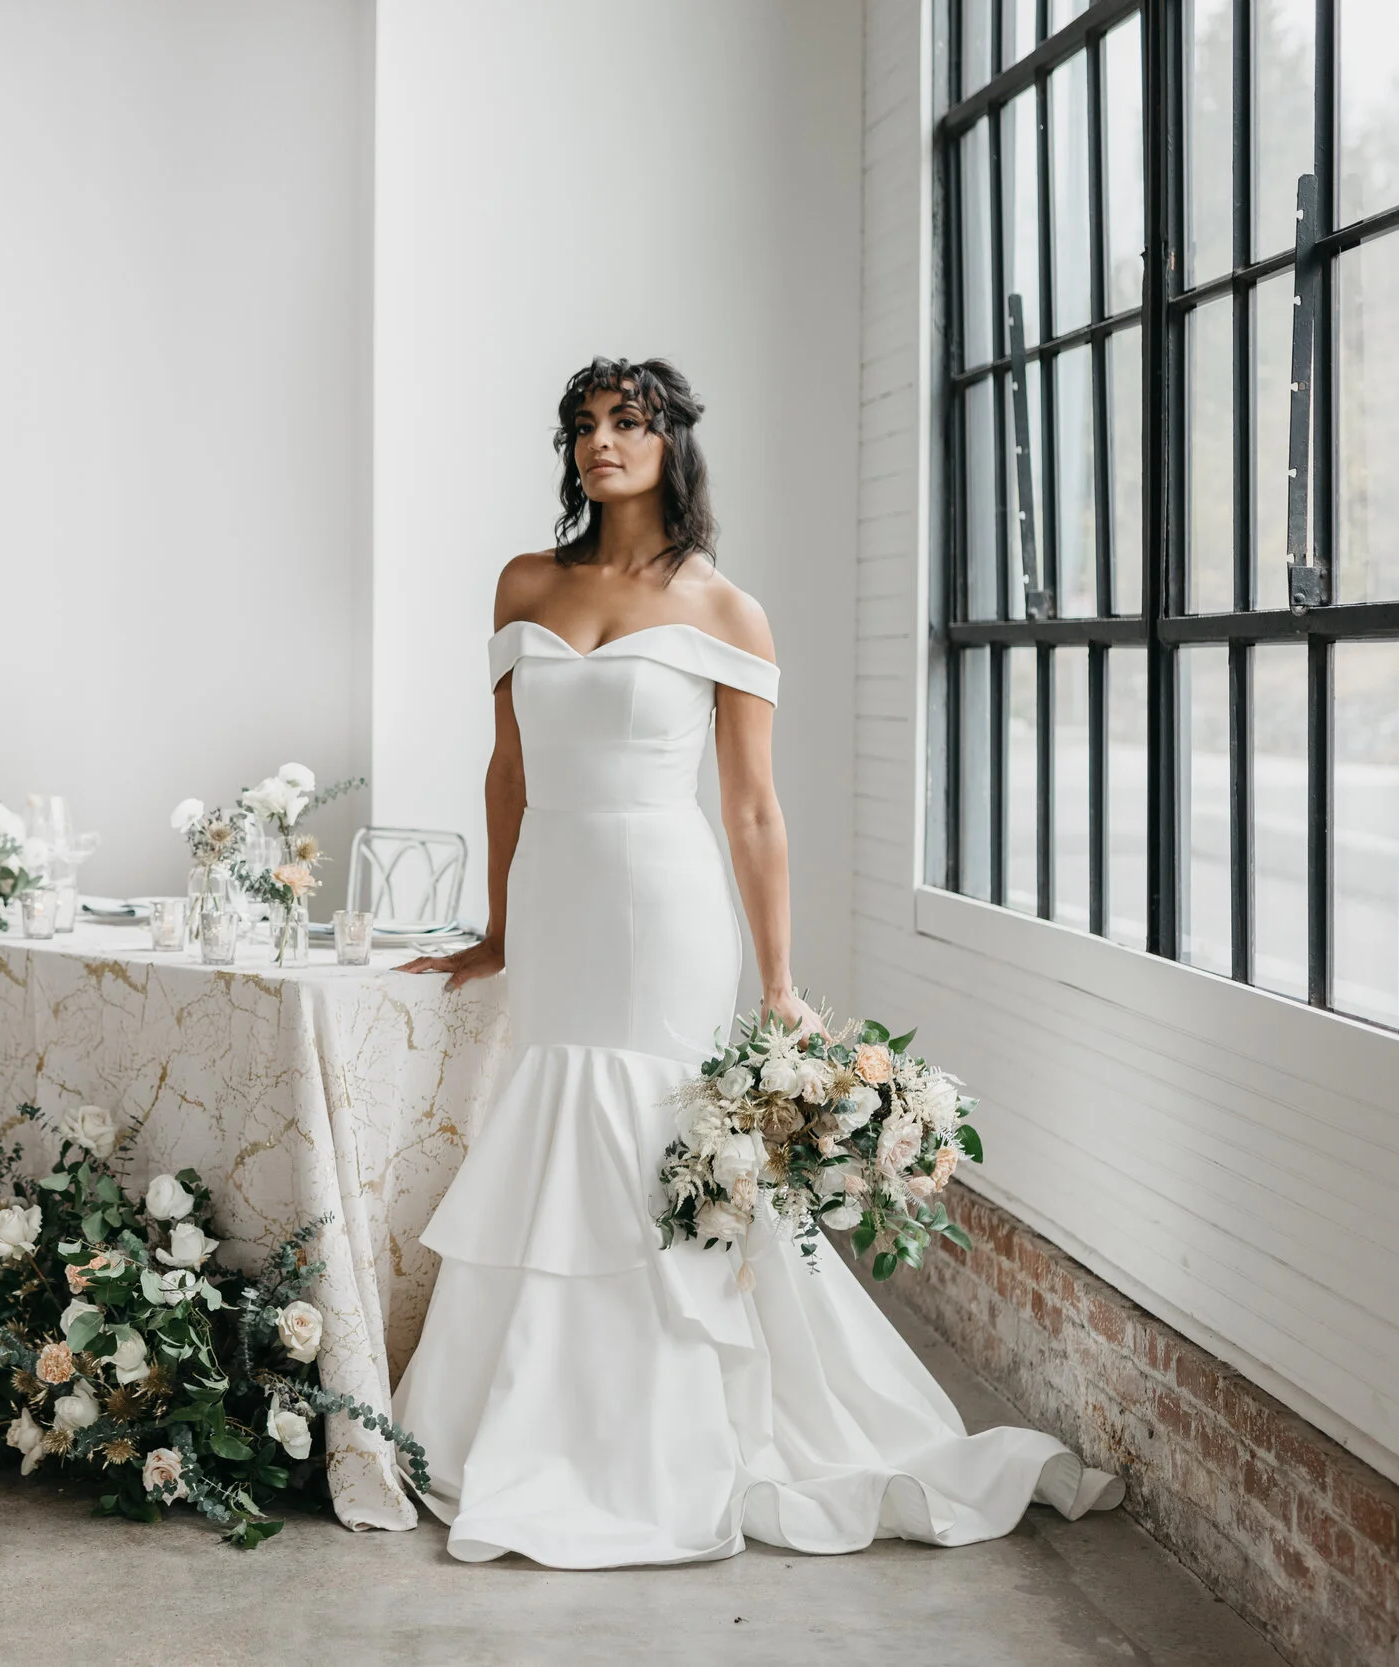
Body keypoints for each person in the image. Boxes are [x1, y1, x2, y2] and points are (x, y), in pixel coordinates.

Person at [392, 355, 1121, 1568]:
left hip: (664, 903)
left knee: (654, 1130)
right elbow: (506, 771)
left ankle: (668, 1424)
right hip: (560, 895)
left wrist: (780, 985)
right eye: (583, 427)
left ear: (673, 442)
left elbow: (751, 811)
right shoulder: (525, 582)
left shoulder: (725, 607)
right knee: (562, 1113)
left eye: (627, 424)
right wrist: (500, 927)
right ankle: (521, 1408)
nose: (600, 445)